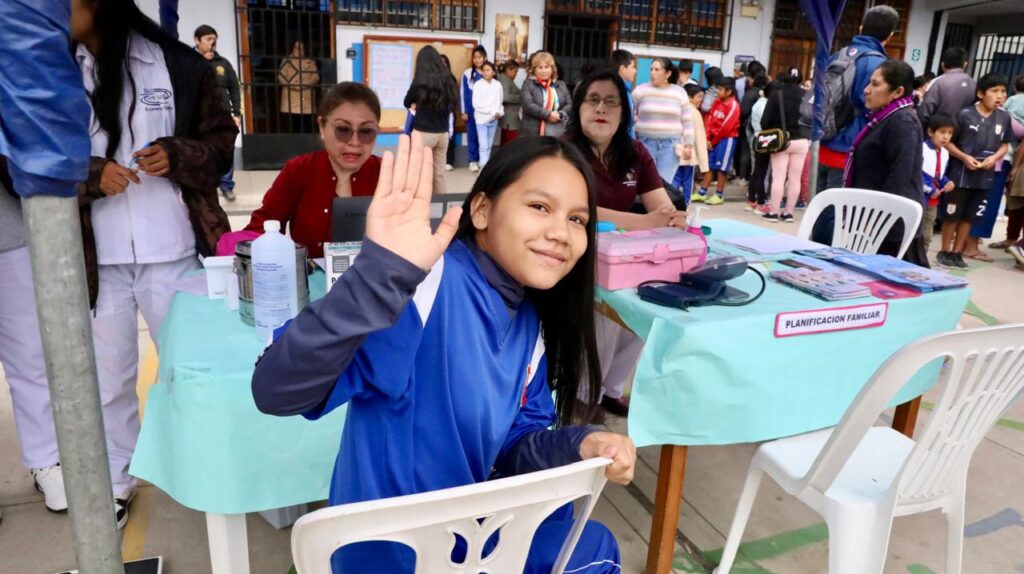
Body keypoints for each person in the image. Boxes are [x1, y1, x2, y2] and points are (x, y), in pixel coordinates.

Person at [251, 134, 635, 573]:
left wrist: (580, 443)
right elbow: (275, 390)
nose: (560, 233)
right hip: (391, 558)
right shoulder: (425, 287)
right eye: (540, 207)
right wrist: (379, 275)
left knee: (590, 543)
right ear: (482, 209)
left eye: (577, 219)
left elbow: (514, 447)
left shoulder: (532, 320)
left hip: (464, 544)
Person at [70, 0, 237, 528]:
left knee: (193, 374)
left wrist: (178, 153)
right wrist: (92, 173)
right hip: (99, 258)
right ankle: (119, 481)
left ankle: (206, 467)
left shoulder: (179, 64)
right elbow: (25, 158)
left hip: (177, 251)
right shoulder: (50, 68)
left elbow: (220, 144)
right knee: (109, 378)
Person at [567, 71, 686, 420]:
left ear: (624, 113)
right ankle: (583, 392)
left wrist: (672, 216)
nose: (601, 108)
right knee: (605, 313)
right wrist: (644, 222)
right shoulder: (566, 151)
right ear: (579, 108)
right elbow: (579, 209)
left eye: (611, 101)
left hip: (623, 256)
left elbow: (658, 204)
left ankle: (610, 390)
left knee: (641, 309)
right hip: (575, 253)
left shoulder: (634, 152)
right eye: (593, 100)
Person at [243, 83, 382, 259]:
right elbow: (261, 228)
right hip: (310, 282)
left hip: (375, 283)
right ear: (322, 127)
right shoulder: (299, 171)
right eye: (343, 130)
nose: (354, 142)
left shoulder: (388, 176)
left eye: (366, 131)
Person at [843, 60, 928, 267]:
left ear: (897, 91)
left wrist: (879, 220)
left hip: (892, 223)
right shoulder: (884, 118)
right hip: (876, 218)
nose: (867, 90)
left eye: (875, 84)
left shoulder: (902, 121)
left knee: (902, 281)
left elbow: (900, 176)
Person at [817, 5, 898, 194]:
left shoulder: (838, 54)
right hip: (850, 150)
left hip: (823, 142)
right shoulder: (880, 66)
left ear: (861, 29)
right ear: (890, 35)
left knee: (819, 208)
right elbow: (877, 111)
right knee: (839, 214)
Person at [945, 73, 1012, 264]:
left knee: (970, 217)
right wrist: (964, 157)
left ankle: (958, 252)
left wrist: (995, 158)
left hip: (985, 177)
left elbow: (1005, 145)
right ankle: (945, 251)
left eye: (1003, 91)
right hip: (959, 174)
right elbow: (948, 143)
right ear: (981, 93)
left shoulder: (1004, 117)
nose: (1000, 96)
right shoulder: (964, 115)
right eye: (994, 91)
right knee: (952, 215)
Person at [194, 24, 241, 201]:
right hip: (198, 116)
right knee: (199, 150)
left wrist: (237, 113)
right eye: (208, 39)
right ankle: (203, 185)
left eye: (214, 39)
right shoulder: (190, 61)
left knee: (226, 149)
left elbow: (235, 88)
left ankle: (226, 185)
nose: (212, 44)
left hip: (222, 115)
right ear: (197, 41)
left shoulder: (223, 63)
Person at [403, 46, 457, 195]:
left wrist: (416, 103)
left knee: (417, 171)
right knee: (438, 174)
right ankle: (441, 205)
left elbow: (407, 102)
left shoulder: (420, 81)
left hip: (423, 133)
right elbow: (453, 102)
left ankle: (417, 202)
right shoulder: (448, 79)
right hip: (442, 134)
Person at [632, 57, 695, 184]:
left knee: (664, 184)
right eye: (651, 69)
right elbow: (631, 112)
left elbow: (687, 120)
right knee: (646, 182)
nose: (652, 73)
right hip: (645, 143)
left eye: (657, 69)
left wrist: (688, 145)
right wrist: (640, 124)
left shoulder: (679, 92)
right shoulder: (641, 90)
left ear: (668, 73)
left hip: (670, 146)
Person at [761, 67, 810, 223]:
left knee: (778, 177)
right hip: (802, 140)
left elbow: (764, 121)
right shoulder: (806, 95)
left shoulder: (777, 95)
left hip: (782, 141)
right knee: (795, 178)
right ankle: (788, 213)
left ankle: (774, 212)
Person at [694, 77, 740, 206]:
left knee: (721, 169)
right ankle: (702, 193)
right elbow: (710, 121)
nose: (718, 92)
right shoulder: (717, 102)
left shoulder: (733, 106)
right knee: (708, 165)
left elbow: (726, 127)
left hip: (726, 139)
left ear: (729, 91)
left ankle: (719, 195)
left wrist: (712, 142)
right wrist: (707, 139)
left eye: (720, 89)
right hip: (713, 139)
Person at [993, 74, 1024, 254]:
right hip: (1014, 150)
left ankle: (1012, 239)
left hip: (1012, 150)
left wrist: (1015, 167)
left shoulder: (1011, 102)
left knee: (1016, 203)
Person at [921, 114, 956, 254]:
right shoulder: (921, 149)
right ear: (930, 132)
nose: (946, 137)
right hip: (919, 197)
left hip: (932, 202)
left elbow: (940, 175)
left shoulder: (945, 153)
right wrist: (929, 190)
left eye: (949, 133)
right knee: (914, 232)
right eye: (942, 132)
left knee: (927, 234)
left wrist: (947, 183)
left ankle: (921, 263)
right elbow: (915, 175)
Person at [917, 47, 976, 131]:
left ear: (942, 64)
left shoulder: (938, 82)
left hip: (939, 133)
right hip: (963, 134)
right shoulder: (974, 84)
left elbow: (924, 113)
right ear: (965, 64)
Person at [521, 51, 572, 138]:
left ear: (552, 69)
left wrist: (560, 115)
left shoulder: (561, 84)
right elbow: (527, 105)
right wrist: (548, 115)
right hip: (533, 130)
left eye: (546, 67)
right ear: (535, 70)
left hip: (557, 129)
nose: (543, 70)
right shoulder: (528, 84)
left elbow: (569, 104)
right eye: (540, 68)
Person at [674, 84, 709, 203]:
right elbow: (699, 138)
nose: (701, 100)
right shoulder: (694, 113)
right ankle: (685, 205)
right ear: (689, 97)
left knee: (675, 179)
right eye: (699, 96)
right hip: (689, 154)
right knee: (687, 181)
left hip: (675, 152)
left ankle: (672, 203)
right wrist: (704, 164)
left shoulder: (677, 108)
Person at [278, 40, 320, 134]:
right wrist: (292, 85)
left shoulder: (310, 61)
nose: (298, 50)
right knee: (292, 124)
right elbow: (280, 76)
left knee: (306, 124)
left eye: (301, 48)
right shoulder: (286, 60)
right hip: (291, 96)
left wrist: (306, 84)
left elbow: (316, 76)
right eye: (296, 47)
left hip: (306, 96)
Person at [746, 80, 773, 212]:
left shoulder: (758, 102)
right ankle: (761, 201)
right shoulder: (767, 105)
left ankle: (751, 199)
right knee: (762, 173)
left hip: (756, 137)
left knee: (756, 171)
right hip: (764, 138)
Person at [472, 61, 504, 168]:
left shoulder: (498, 85)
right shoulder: (478, 85)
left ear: (494, 72)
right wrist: (491, 112)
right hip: (481, 119)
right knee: (483, 145)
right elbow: (476, 104)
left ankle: (485, 166)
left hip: (494, 119)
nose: (485, 72)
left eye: (488, 70)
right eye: (483, 70)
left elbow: (500, 101)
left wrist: (499, 112)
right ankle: (483, 168)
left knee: (489, 145)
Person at [461, 45, 487, 172]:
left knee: (483, 137)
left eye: (480, 57)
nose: (477, 60)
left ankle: (483, 161)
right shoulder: (467, 73)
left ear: (484, 58)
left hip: (485, 111)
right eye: (475, 58)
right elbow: (462, 93)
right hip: (470, 111)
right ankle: (472, 161)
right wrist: (463, 111)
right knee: (472, 135)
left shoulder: (488, 72)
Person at [610, 49, 638, 139]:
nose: (635, 71)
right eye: (632, 67)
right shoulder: (616, 91)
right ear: (622, 69)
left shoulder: (626, 90)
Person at [440, 54, 459, 172]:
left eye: (444, 62)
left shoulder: (451, 78)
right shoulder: (431, 79)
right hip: (436, 114)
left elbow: (454, 95)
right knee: (438, 138)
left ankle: (449, 161)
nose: (442, 65)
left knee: (450, 136)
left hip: (449, 112)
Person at [498, 60, 522, 144]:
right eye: (515, 71)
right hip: (509, 119)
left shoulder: (506, 79)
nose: (516, 74)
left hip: (510, 119)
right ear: (508, 70)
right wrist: (521, 98)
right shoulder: (504, 79)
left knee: (506, 143)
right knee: (510, 144)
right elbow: (505, 97)